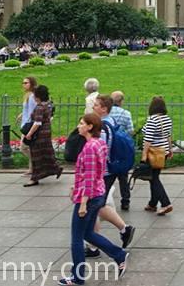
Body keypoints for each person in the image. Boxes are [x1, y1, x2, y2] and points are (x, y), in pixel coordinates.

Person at [56, 113, 128, 285]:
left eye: (81, 123)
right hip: (98, 193)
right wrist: (76, 185)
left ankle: (77, 277)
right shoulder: (100, 143)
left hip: (88, 197)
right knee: (88, 233)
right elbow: (97, 171)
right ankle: (119, 254)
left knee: (76, 238)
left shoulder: (89, 148)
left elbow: (89, 176)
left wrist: (82, 203)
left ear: (89, 127)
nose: (78, 126)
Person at [95, 95, 133, 215]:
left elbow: (101, 148)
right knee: (123, 180)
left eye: (96, 105)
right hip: (118, 158)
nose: (93, 107)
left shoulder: (102, 127)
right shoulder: (113, 120)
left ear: (104, 108)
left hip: (108, 165)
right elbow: (130, 130)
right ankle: (125, 200)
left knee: (100, 198)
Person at [22, 85, 63, 187]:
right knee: (47, 153)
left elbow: (37, 123)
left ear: (38, 96)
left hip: (38, 135)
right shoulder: (48, 104)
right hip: (46, 132)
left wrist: (29, 134)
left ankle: (35, 178)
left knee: (36, 156)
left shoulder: (40, 107)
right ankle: (55, 168)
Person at [141, 96, 173, 215]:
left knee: (154, 179)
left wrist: (144, 154)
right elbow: (168, 135)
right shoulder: (167, 119)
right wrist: (170, 149)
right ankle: (152, 203)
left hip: (153, 152)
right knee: (154, 177)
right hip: (163, 151)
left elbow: (148, 139)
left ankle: (165, 203)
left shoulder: (152, 120)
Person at [17, 76, 38, 178]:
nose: (24, 85)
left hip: (28, 125)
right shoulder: (28, 95)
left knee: (23, 147)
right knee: (28, 147)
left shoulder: (32, 96)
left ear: (32, 84)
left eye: (26, 83)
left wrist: (29, 127)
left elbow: (32, 111)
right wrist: (21, 114)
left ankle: (36, 163)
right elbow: (28, 109)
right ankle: (32, 168)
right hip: (25, 123)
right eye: (23, 83)